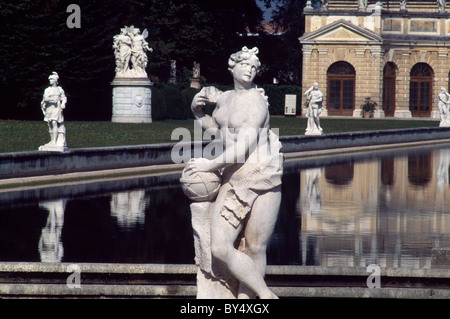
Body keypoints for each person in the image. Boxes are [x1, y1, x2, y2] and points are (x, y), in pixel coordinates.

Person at [186, 47, 283, 299]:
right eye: (245, 65)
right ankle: (267, 295)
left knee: (254, 247)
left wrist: (209, 165)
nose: (249, 70)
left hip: (262, 179)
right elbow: (218, 133)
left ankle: (250, 300)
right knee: (218, 247)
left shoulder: (256, 102)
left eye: (254, 67)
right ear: (233, 67)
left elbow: (241, 149)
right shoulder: (225, 99)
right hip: (232, 180)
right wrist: (197, 113)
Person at [41, 72, 67, 147]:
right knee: (50, 124)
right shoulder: (47, 90)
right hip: (49, 108)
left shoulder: (59, 89)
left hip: (57, 108)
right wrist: (52, 98)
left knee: (54, 122)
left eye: (52, 79)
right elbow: (45, 98)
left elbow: (64, 98)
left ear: (55, 80)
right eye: (50, 79)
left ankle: (55, 142)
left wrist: (63, 103)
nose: (50, 81)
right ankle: (52, 140)